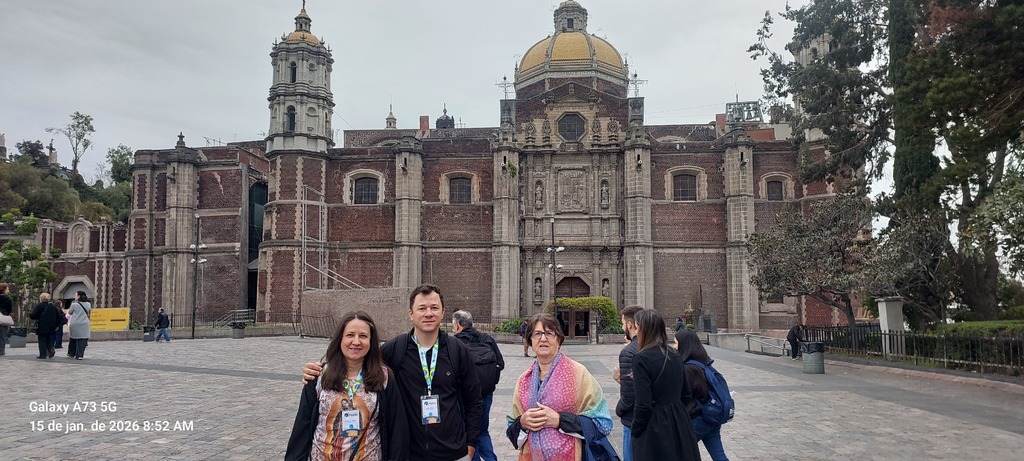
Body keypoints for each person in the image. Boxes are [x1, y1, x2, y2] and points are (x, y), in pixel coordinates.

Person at [304, 284, 482, 461]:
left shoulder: (457, 350)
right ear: (410, 314)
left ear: (443, 312)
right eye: (422, 308)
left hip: (453, 453)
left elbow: (473, 400)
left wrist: (471, 444)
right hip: (410, 453)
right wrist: (319, 370)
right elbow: (358, 362)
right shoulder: (395, 349)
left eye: (434, 308)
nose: (428, 313)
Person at [285, 310, 408, 461]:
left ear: (371, 341)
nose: (356, 342)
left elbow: (396, 429)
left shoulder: (384, 377)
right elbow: (302, 426)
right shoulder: (319, 375)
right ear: (340, 339)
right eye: (350, 335)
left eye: (363, 336)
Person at [506, 313, 616, 461]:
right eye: (537, 334)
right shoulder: (523, 380)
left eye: (549, 333)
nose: (543, 338)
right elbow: (512, 425)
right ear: (530, 340)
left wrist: (559, 420)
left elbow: (603, 422)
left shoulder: (578, 373)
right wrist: (523, 423)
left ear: (559, 339)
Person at [629, 309, 701, 461]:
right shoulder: (675, 355)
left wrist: (635, 430)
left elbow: (643, 404)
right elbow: (687, 395)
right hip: (679, 423)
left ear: (643, 329)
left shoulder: (641, 358)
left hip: (655, 427)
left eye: (637, 327)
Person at [452, 310, 504, 461]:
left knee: (468, 434)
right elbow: (501, 363)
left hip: (464, 397)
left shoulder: (454, 343)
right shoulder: (486, 339)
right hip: (486, 394)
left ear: (457, 326)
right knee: (482, 432)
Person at [676, 328, 730, 461]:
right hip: (712, 416)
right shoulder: (704, 363)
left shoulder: (687, 369)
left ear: (684, 345)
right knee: (719, 455)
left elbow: (684, 397)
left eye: (676, 343)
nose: (674, 346)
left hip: (698, 419)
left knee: (680, 452)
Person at [614, 305, 643, 461]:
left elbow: (629, 395)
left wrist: (619, 410)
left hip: (632, 419)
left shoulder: (628, 352)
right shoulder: (661, 348)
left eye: (623, 323)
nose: (622, 326)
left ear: (630, 325)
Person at [29, 293, 61, 359]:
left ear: (41, 299)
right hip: (51, 326)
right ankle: (50, 349)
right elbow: (58, 316)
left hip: (42, 325)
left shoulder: (39, 306)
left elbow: (33, 315)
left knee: (42, 340)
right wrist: (57, 325)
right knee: (49, 339)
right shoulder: (53, 306)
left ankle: (43, 354)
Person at [66, 291, 92, 360]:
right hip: (85, 323)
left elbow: (69, 312)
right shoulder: (88, 304)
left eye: (76, 295)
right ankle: (80, 355)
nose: (74, 296)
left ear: (78, 296)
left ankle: (71, 353)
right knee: (83, 339)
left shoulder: (74, 304)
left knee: (73, 338)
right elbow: (89, 313)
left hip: (75, 323)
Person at [0, 283, 12, 356]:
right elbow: (9, 309)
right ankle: (1, 350)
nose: (8, 290)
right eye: (7, 288)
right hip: (3, 318)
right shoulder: (7, 298)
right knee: (2, 335)